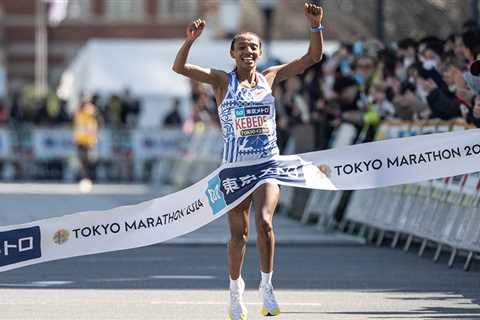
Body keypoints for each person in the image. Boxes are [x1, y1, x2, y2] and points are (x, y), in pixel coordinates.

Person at [172, 3, 324, 319]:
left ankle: (266, 286)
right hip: (234, 169)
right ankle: (235, 290)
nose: (248, 52)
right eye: (242, 47)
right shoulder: (221, 81)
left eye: (253, 47)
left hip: (268, 164)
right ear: (232, 53)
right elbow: (181, 68)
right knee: (238, 234)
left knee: (265, 223)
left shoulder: (270, 77)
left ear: (260, 52)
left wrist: (315, 27)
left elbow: (312, 59)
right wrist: (189, 41)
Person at [73, 98, 99, 192]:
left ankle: (88, 179)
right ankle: (85, 179)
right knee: (83, 162)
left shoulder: (92, 119)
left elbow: (93, 131)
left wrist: (93, 141)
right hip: (81, 142)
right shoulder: (80, 116)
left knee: (89, 161)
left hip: (88, 143)